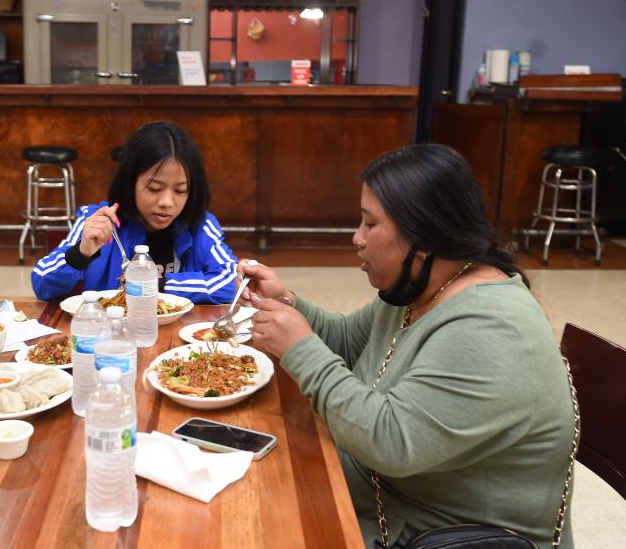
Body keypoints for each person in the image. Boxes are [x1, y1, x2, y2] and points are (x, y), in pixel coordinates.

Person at [241, 144, 576, 548]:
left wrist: (299, 347)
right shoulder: (424, 287)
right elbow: (349, 343)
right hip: (389, 500)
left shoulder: (491, 328)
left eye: (370, 224)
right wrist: (287, 303)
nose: (356, 238)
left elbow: (391, 441)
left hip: (437, 533)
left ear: (424, 236)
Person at [31, 120, 238, 304]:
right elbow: (41, 282)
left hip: (179, 342)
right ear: (130, 182)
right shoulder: (99, 220)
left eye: (180, 190)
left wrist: (156, 286)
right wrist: (81, 253)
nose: (167, 202)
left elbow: (232, 280)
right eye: (154, 188)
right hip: (109, 340)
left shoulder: (200, 225)